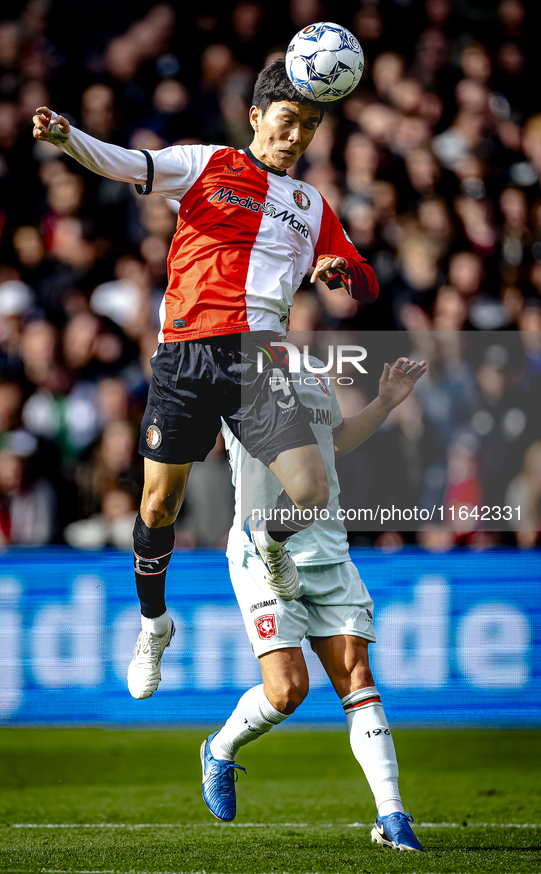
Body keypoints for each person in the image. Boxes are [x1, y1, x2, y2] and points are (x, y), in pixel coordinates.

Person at [32, 59, 379, 702]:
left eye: (309, 124)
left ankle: (270, 547)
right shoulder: (207, 163)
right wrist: (67, 138)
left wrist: (338, 269)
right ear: (255, 117)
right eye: (287, 120)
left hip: (259, 359)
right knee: (158, 505)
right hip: (186, 355)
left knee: (310, 494)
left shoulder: (311, 205)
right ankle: (154, 625)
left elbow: (366, 278)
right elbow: (125, 163)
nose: (297, 135)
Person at [200, 353, 426, 852]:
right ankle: (219, 748)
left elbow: (333, 443)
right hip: (264, 553)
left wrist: (385, 403)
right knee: (286, 692)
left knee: (358, 678)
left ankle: (392, 815)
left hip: (327, 551)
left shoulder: (313, 372)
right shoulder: (232, 374)